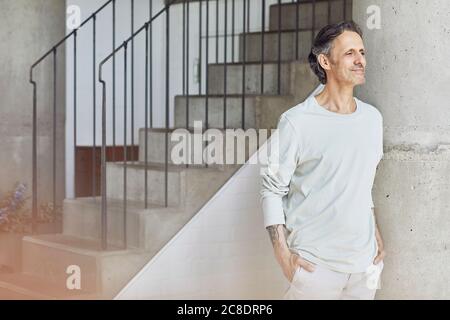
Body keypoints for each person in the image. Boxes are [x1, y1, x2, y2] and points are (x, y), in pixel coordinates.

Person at [260, 21, 386, 300]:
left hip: (365, 266)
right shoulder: (297, 122)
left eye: (362, 52)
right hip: (315, 267)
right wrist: (284, 257)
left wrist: (373, 227)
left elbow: (360, 183)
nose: (360, 60)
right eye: (350, 53)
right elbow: (271, 190)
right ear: (325, 61)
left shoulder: (372, 119)